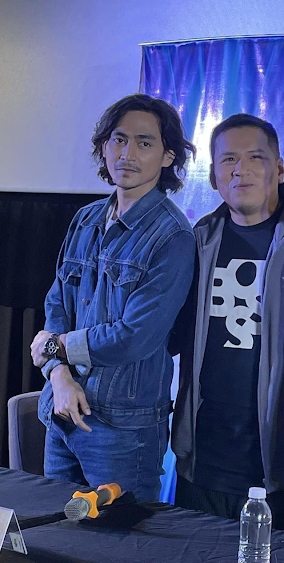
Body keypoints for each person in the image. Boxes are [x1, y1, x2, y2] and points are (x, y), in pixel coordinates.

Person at [170, 113, 284, 530]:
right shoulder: (197, 238)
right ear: (213, 176)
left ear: (278, 168)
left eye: (255, 158)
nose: (240, 170)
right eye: (228, 160)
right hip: (203, 459)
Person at [31, 94, 196, 501]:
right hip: (60, 410)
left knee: (121, 536)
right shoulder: (85, 219)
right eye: (118, 139)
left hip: (121, 430)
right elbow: (56, 304)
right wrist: (59, 375)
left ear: (168, 156)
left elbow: (135, 336)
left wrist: (54, 346)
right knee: (54, 531)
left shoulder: (173, 235)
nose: (127, 153)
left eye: (144, 142)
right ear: (104, 147)